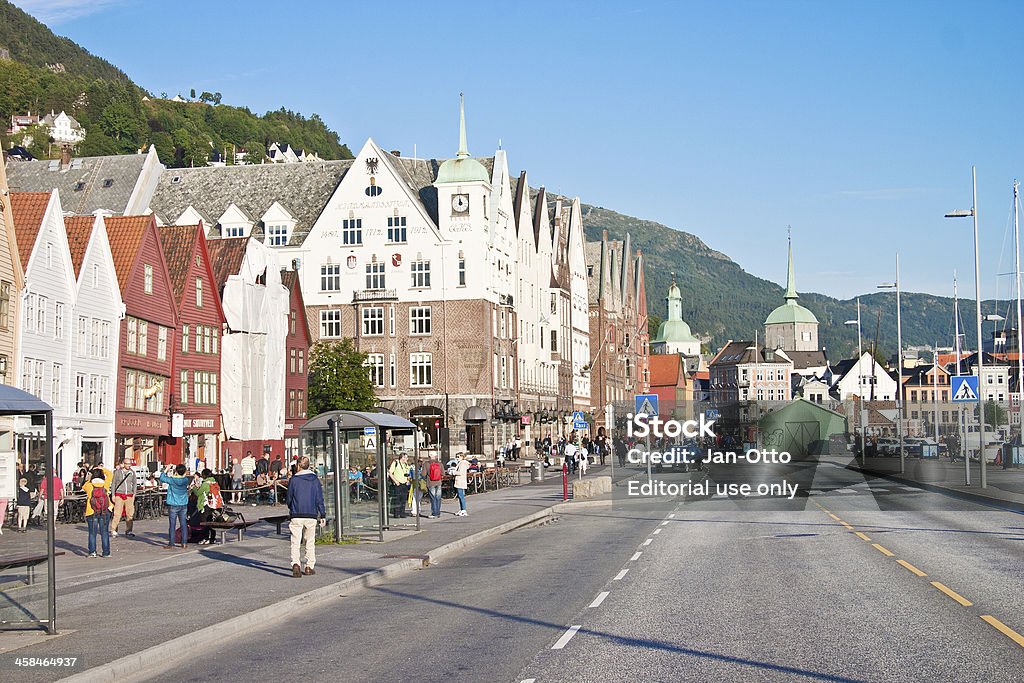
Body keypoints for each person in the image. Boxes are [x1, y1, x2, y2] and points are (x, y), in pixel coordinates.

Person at [286, 456, 325, 577]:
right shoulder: (314, 480)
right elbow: (319, 498)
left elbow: (289, 498)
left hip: (296, 513)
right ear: (309, 465)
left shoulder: (294, 480)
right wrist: (322, 514)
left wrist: (291, 507)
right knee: (310, 541)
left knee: (295, 541)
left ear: (298, 466)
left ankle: (296, 564)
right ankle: (309, 566)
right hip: (311, 514)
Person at [160, 464, 192, 549]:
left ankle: (171, 543)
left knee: (172, 524)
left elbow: (162, 478)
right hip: (183, 504)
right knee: (183, 524)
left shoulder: (172, 480)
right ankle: (184, 542)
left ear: (176, 471)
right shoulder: (185, 480)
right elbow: (183, 475)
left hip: (173, 504)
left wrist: (167, 469)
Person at [82, 467, 112, 557]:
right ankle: (106, 553)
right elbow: (110, 474)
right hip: (104, 511)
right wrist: (101, 468)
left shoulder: (89, 485)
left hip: (91, 511)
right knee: (105, 532)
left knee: (92, 533)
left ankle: (92, 552)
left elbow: (83, 485)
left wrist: (90, 475)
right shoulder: (105, 484)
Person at [109, 461, 137, 538]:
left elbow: (134, 483)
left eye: (130, 464)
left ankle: (129, 530)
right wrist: (113, 495)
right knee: (117, 513)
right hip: (119, 494)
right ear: (124, 464)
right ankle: (114, 530)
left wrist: (134, 494)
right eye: (127, 464)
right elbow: (114, 483)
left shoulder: (132, 472)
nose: (129, 465)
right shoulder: (117, 472)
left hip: (129, 495)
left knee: (130, 514)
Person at [388, 453, 410, 519]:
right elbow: (390, 472)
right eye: (406, 457)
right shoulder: (395, 463)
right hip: (398, 483)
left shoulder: (406, 464)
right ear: (402, 457)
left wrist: (408, 480)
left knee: (403, 499)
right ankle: (396, 513)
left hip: (404, 483)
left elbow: (407, 473)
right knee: (397, 499)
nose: (407, 459)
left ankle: (402, 512)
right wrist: (395, 481)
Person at [426, 453, 443, 518]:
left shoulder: (426, 464)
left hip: (430, 483)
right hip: (438, 483)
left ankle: (434, 513)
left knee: (433, 498)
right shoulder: (440, 464)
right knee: (438, 498)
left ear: (429, 456)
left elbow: (423, 474)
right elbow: (443, 473)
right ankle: (438, 513)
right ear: (436, 456)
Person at [453, 452, 470, 517]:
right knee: (460, 496)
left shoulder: (462, 464)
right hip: (460, 481)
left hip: (460, 481)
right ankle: (462, 509)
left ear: (462, 457)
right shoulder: (462, 463)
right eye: (456, 457)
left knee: (461, 496)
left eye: (458, 457)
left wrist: (453, 472)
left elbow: (460, 472)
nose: (457, 458)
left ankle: (463, 510)